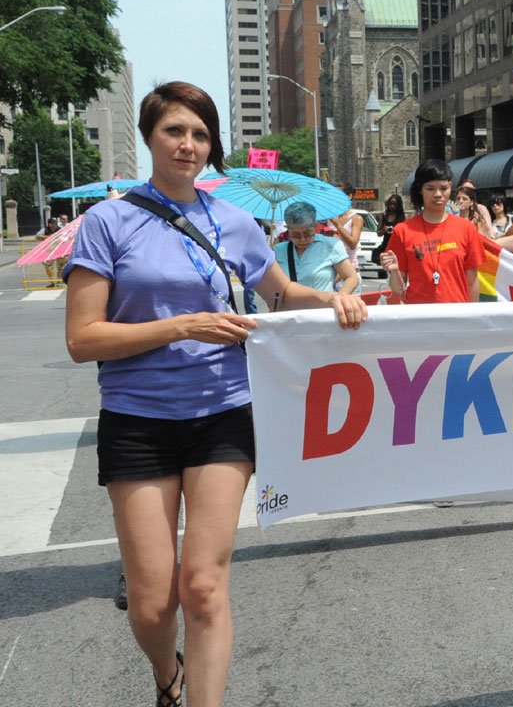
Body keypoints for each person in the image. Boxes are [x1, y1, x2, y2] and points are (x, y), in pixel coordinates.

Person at [62, 81, 367, 707]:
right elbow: (82, 338)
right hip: (137, 420)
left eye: (200, 134)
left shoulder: (233, 222)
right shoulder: (107, 222)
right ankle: (166, 675)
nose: (188, 145)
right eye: (175, 131)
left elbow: (279, 294)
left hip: (224, 412)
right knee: (152, 604)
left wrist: (335, 296)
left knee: (202, 586)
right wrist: (183, 327)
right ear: (150, 136)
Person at [382, 159, 486, 304]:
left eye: (443, 188)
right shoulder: (402, 231)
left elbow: (472, 281)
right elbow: (398, 289)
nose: (438, 194)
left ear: (450, 188)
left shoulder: (467, 229)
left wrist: (473, 318)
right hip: (419, 318)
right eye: (430, 189)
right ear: (420, 189)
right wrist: (394, 271)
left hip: (457, 317)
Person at [274, 201, 360, 294]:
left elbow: (351, 277)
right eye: (296, 235)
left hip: (321, 307)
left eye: (307, 234)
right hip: (290, 308)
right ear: (288, 229)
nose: (302, 239)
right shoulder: (279, 250)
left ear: (315, 227)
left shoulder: (331, 245)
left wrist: (339, 298)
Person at [328, 185, 364, 279]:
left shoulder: (356, 218)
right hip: (331, 271)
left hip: (350, 272)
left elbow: (352, 244)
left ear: (349, 196)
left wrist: (338, 226)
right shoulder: (329, 218)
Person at [375, 193, 407, 258]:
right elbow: (378, 233)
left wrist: (396, 231)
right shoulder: (383, 216)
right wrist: (383, 230)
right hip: (386, 245)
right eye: (390, 204)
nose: (392, 206)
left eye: (395, 204)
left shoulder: (403, 217)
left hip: (398, 246)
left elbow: (406, 234)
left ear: (398, 205)